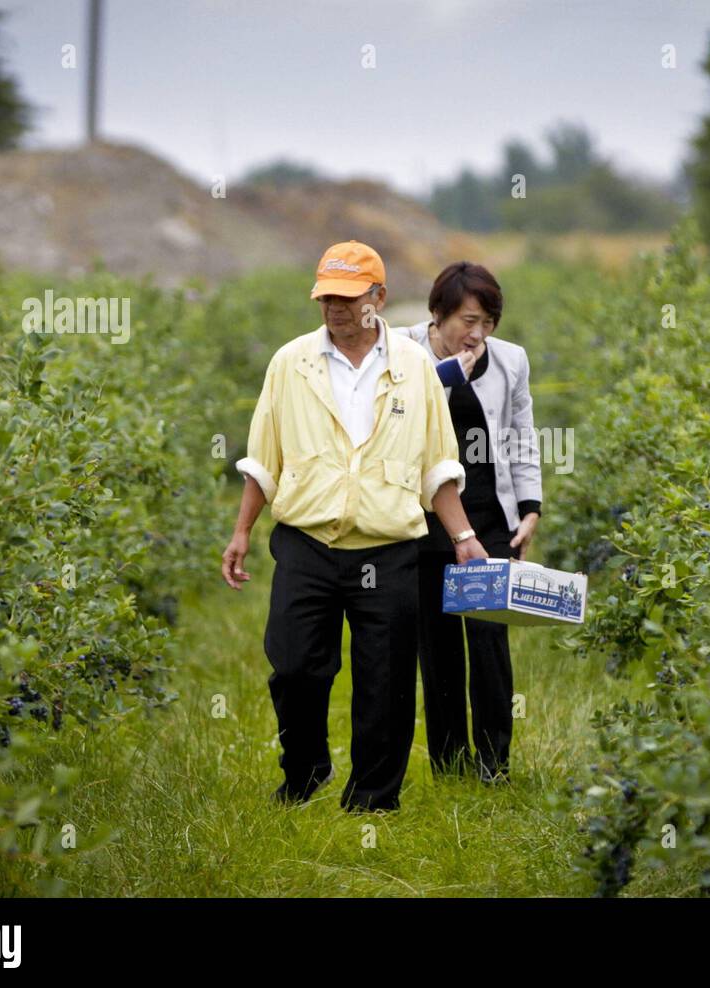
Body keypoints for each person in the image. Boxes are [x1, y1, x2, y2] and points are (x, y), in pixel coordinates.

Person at [220, 241, 487, 813]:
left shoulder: (415, 369)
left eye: (347, 297)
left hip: (387, 549)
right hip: (307, 544)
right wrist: (242, 531)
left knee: (385, 681)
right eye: (326, 297)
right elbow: (263, 459)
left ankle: (372, 800)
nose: (335, 308)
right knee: (294, 667)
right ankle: (305, 767)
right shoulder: (290, 363)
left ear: (378, 297)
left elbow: (437, 464)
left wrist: (464, 538)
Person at [395, 262, 542, 784]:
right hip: (425, 518)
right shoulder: (400, 349)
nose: (478, 334)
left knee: (488, 644)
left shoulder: (510, 362)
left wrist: (530, 508)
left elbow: (522, 435)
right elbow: (402, 399)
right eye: (467, 320)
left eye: (488, 322)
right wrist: (454, 368)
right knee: (436, 651)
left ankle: (493, 765)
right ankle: (450, 767)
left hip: (487, 519)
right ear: (438, 315)